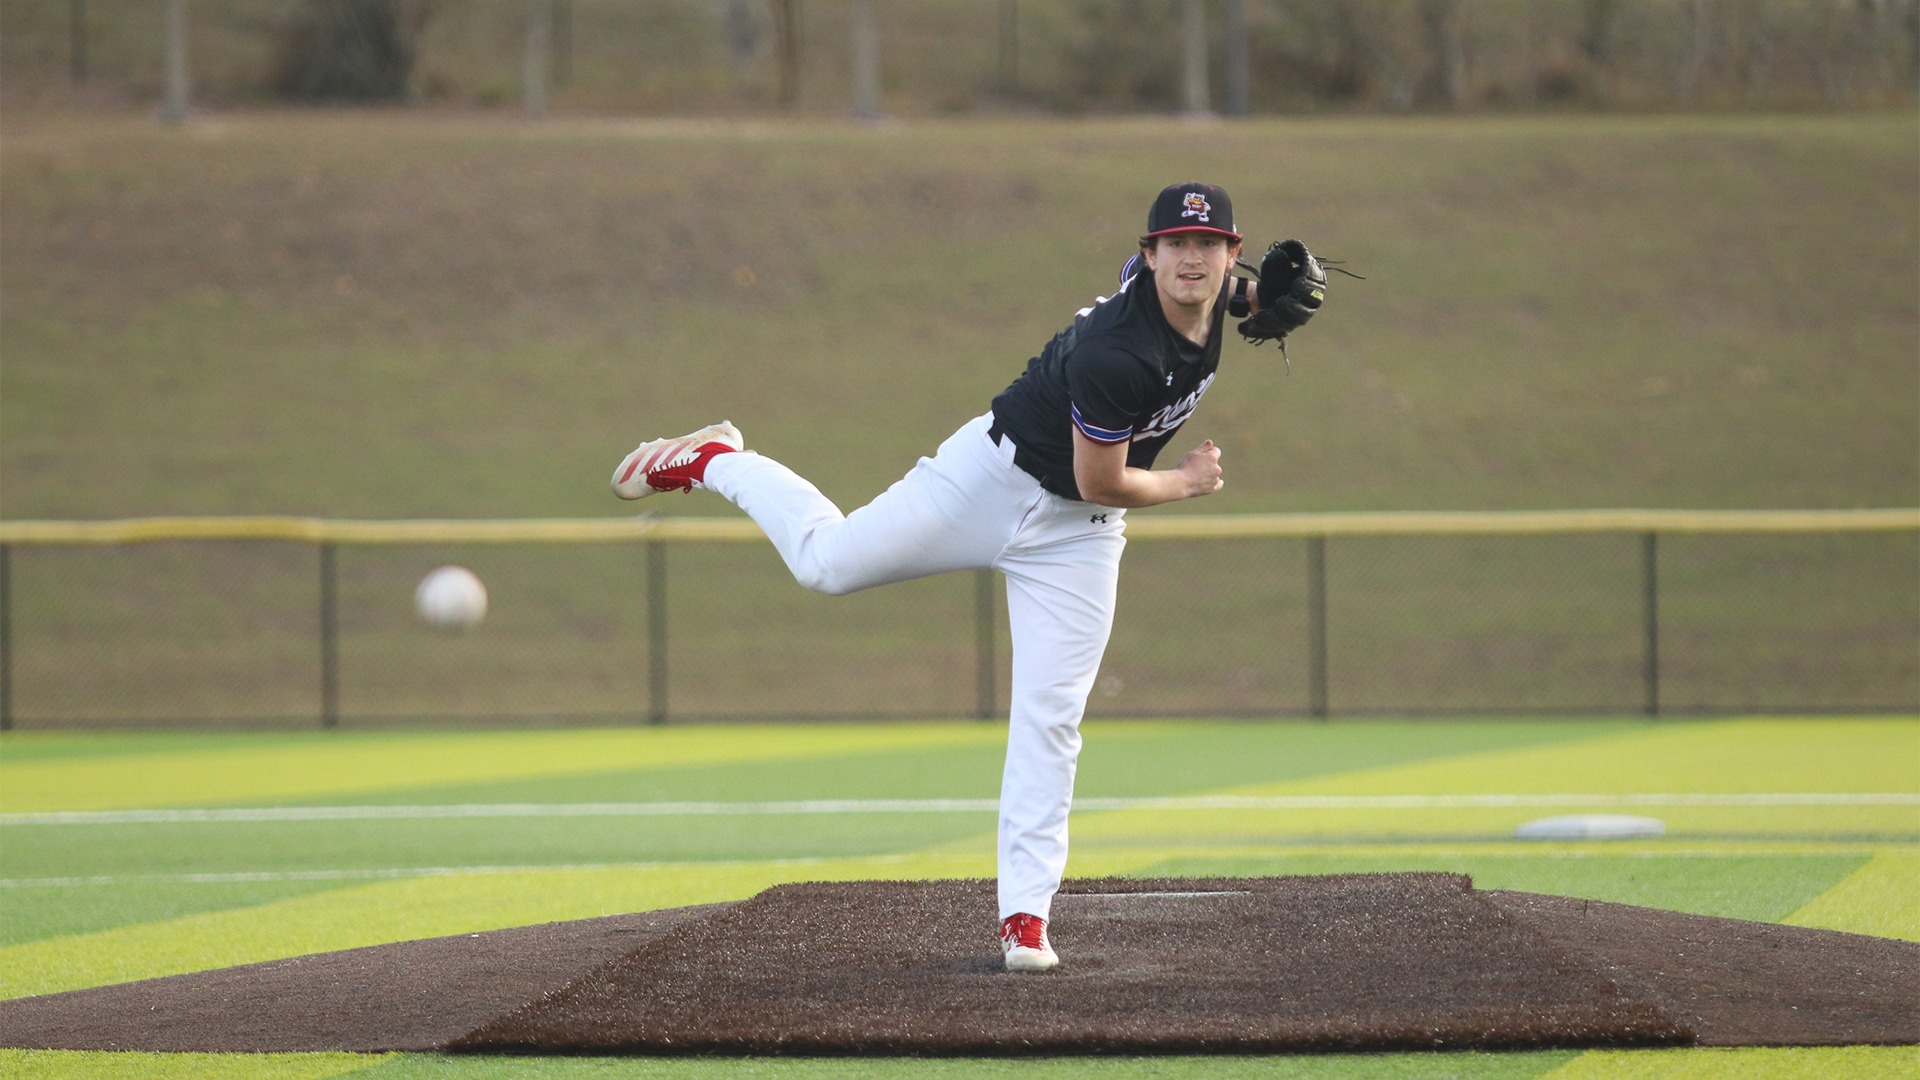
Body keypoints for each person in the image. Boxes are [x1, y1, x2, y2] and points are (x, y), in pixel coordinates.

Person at [613, 182, 1295, 973]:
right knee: (825, 566)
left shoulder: (1214, 297)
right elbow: (1104, 477)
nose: (1191, 257)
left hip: (1078, 537)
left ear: (1233, 253)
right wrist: (1185, 483)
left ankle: (1025, 920)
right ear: (1147, 256)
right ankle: (717, 460)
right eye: (1174, 243)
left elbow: (1215, 308)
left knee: (1051, 716)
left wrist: (1258, 299)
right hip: (991, 482)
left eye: (1208, 245)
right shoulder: (1119, 349)